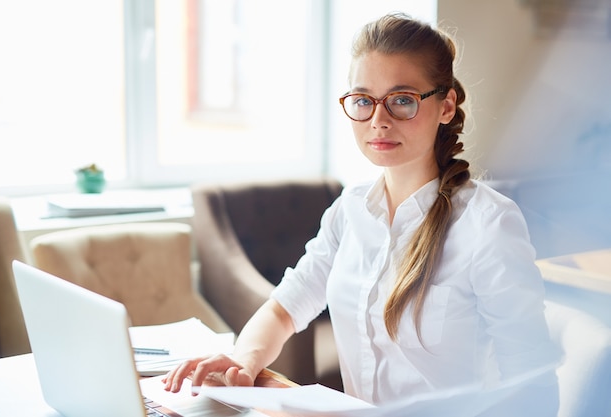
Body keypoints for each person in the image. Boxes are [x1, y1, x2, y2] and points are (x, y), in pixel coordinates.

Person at [163, 12, 559, 414]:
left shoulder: (488, 225)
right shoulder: (349, 212)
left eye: (402, 100)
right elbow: (284, 308)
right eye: (363, 101)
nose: (379, 120)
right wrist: (243, 358)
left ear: (446, 106)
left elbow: (535, 390)